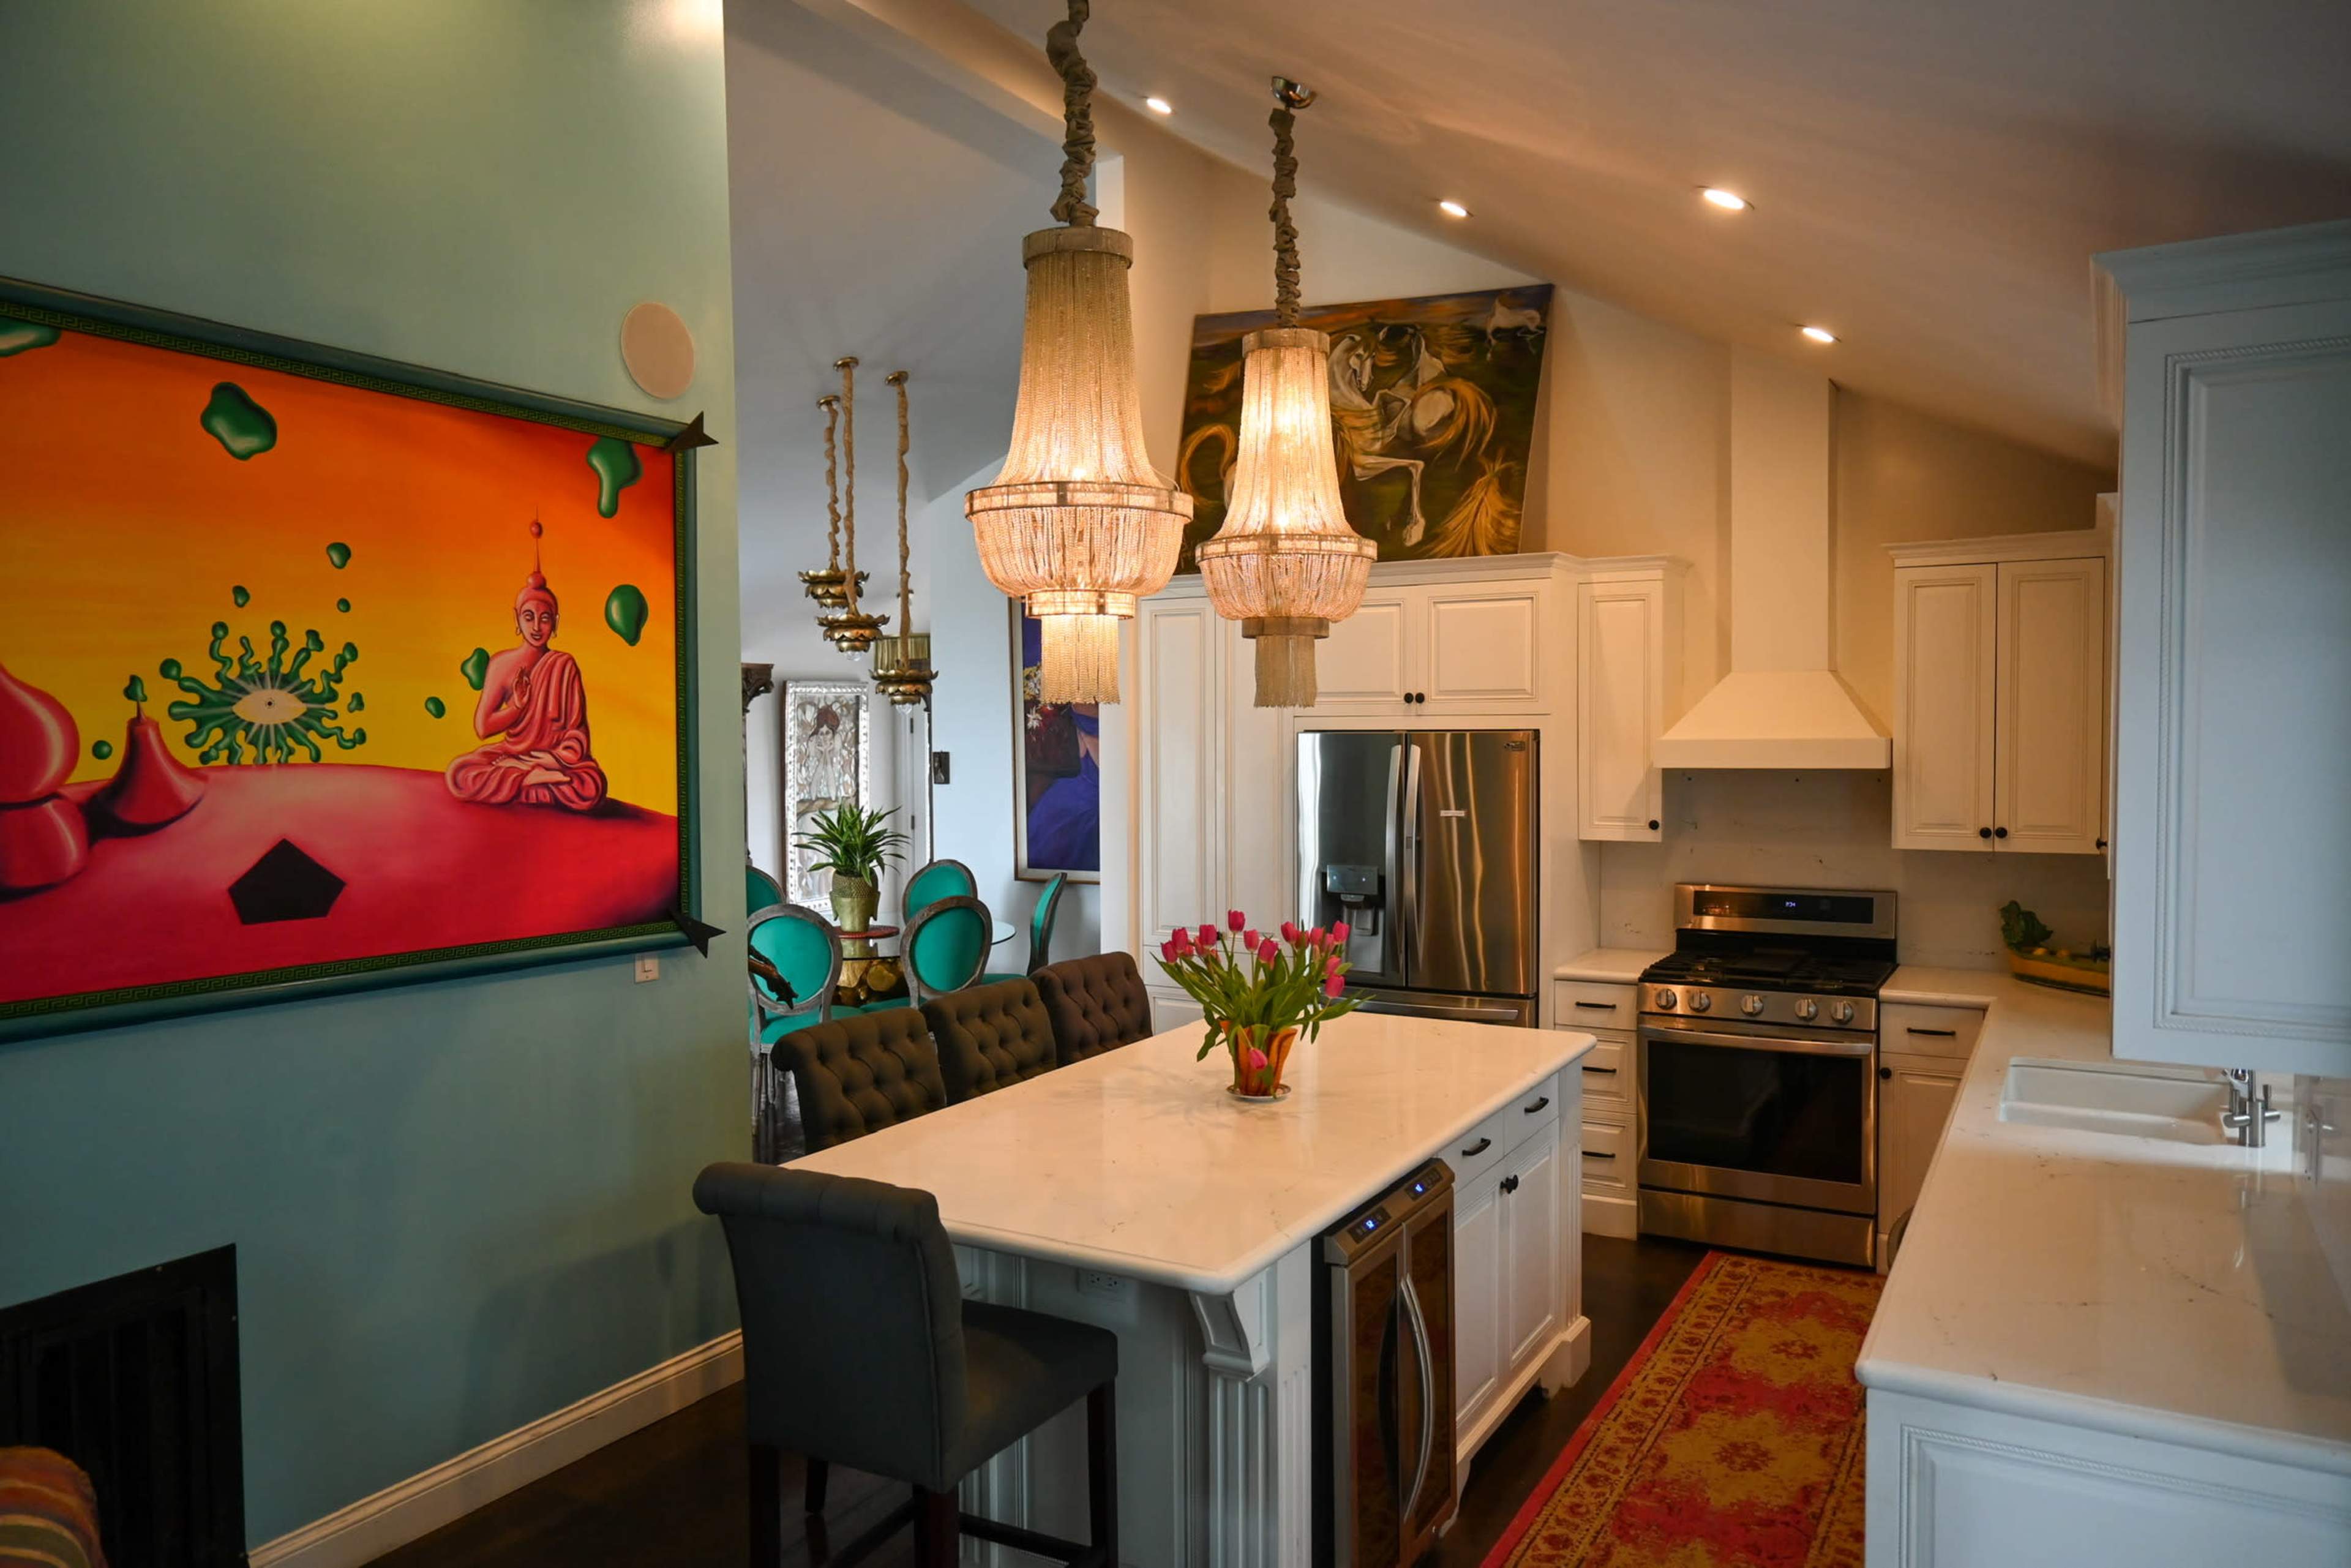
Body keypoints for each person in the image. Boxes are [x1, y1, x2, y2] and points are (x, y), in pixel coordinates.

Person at [447, 522, 606, 810]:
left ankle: (525, 779)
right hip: (512, 756)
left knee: (590, 785)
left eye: (545, 619)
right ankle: (530, 779)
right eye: (529, 617)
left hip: (553, 760)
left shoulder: (564, 665)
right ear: (517, 619)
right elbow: (483, 728)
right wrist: (518, 707)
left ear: (555, 623)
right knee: (460, 774)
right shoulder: (501, 664)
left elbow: (577, 733)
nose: (536, 627)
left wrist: (553, 758)